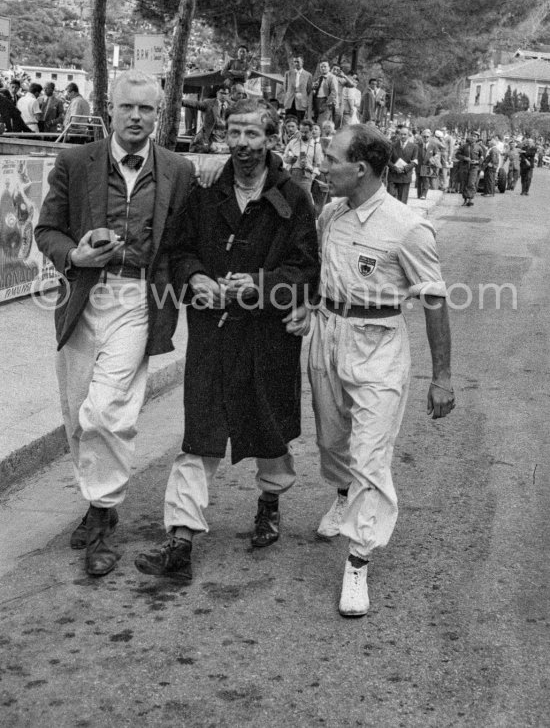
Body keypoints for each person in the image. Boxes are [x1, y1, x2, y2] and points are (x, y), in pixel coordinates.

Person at [134, 98, 319, 584]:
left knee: (268, 426)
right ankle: (181, 537)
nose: (241, 144)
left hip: (268, 335)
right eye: (234, 134)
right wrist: (194, 276)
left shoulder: (294, 197)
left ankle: (270, 501)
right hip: (213, 333)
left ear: (271, 139)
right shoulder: (207, 192)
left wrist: (261, 284)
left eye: (252, 134)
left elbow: (306, 269)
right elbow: (178, 249)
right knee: (202, 429)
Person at [34, 70, 195, 578]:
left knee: (107, 412)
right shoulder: (75, 161)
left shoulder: (177, 170)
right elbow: (46, 229)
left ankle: (102, 522)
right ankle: (98, 502)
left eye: (147, 110)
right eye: (128, 107)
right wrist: (74, 254)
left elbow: (186, 241)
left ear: (159, 114)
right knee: (78, 410)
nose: (136, 118)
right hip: (83, 295)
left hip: (138, 298)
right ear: (111, 107)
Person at [293, 124, 453, 617]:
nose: (323, 165)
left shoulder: (407, 227)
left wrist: (442, 377)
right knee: (331, 441)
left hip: (378, 346)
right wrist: (308, 307)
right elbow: (324, 275)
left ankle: (358, 561)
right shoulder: (331, 214)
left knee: (370, 454)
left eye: (331, 158)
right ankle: (343, 496)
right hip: (327, 336)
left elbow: (434, 300)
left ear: (359, 169)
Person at [183, 84, 231, 152]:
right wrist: (181, 101)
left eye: (225, 94)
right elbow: (196, 104)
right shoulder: (209, 103)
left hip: (225, 139)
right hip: (210, 138)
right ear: (217, 93)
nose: (223, 95)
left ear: (229, 95)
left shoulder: (232, 106)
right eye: (221, 93)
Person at [283, 118, 323, 196]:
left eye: (306, 132)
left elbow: (318, 165)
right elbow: (285, 158)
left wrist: (312, 175)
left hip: (307, 176)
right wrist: (289, 160)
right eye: (302, 132)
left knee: (304, 200)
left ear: (311, 132)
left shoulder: (316, 146)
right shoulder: (293, 142)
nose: (303, 134)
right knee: (291, 199)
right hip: (292, 174)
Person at [387, 124, 418, 204]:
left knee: (402, 201)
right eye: (401, 134)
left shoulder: (414, 147)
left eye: (405, 134)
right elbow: (387, 160)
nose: (403, 136)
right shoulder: (392, 145)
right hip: (393, 176)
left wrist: (404, 168)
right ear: (398, 135)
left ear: (409, 135)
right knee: (390, 200)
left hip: (405, 176)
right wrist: (394, 168)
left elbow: (414, 162)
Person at [456, 130, 484, 207]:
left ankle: (470, 199)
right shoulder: (464, 146)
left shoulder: (479, 148)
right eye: (472, 135)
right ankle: (465, 199)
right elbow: (457, 155)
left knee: (471, 183)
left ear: (477, 138)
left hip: (474, 168)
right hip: (464, 167)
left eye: (475, 136)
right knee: (464, 183)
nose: (472, 137)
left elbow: (482, 159)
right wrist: (465, 158)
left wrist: (477, 162)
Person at [283, 55, 312, 123]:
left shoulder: (308, 75)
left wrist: (301, 95)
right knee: (288, 122)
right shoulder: (288, 73)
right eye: (294, 62)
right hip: (289, 102)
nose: (296, 63)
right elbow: (285, 88)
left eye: (298, 62)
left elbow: (309, 90)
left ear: (302, 62)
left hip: (301, 104)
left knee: (299, 122)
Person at [312, 59, 339, 125]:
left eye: (325, 66)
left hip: (325, 102)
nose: (323, 68)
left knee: (322, 123)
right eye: (321, 67)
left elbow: (334, 92)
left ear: (329, 68)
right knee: (316, 122)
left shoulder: (332, 77)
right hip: (317, 102)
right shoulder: (319, 78)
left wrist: (327, 103)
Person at [416, 128, 440, 200]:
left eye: (427, 137)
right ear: (422, 137)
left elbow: (437, 153)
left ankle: (424, 194)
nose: (426, 138)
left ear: (430, 137)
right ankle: (419, 194)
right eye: (424, 136)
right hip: (419, 165)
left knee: (425, 180)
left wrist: (433, 158)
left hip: (427, 165)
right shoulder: (418, 145)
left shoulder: (433, 145)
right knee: (419, 180)